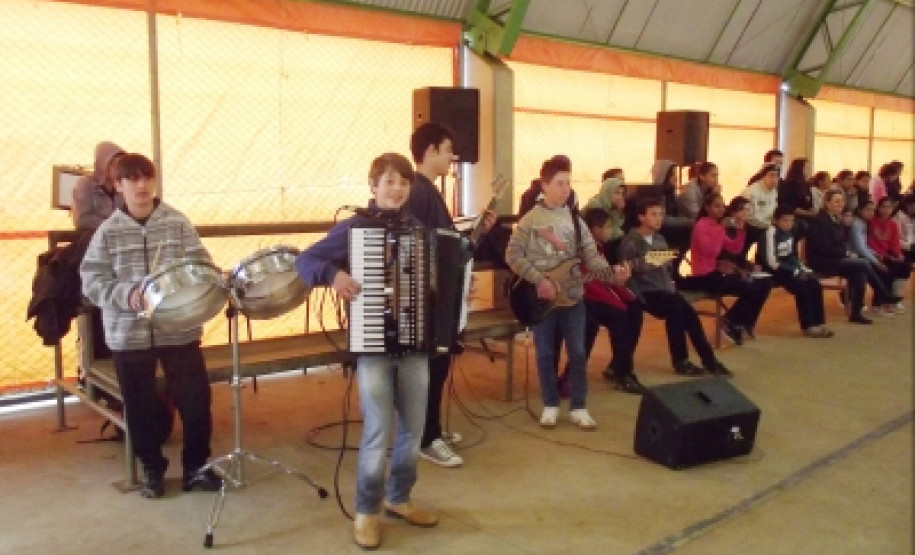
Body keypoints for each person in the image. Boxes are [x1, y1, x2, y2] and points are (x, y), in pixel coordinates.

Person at [295, 153, 438, 550]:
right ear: (372, 186)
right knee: (377, 432)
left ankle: (400, 498)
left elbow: (435, 282)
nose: (396, 189)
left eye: (403, 183)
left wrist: (456, 290)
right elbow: (305, 260)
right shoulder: (355, 228)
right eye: (389, 181)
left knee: (413, 430)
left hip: (414, 344)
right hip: (373, 345)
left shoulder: (419, 230)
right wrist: (333, 274)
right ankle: (366, 511)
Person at [79, 153, 221, 499]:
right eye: (132, 179)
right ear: (119, 185)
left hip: (179, 329)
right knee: (139, 406)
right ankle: (152, 470)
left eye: (147, 178)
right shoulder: (107, 232)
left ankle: (196, 468)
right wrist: (127, 296)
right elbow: (91, 279)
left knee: (195, 401)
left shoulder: (176, 222)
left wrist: (197, 287)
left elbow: (202, 263)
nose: (141, 186)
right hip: (129, 335)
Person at [405, 122, 495, 468]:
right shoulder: (418, 191)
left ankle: (432, 429)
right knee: (432, 367)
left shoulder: (428, 190)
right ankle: (426, 439)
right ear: (429, 151)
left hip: (439, 294)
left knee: (438, 368)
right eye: (447, 150)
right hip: (428, 300)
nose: (452, 156)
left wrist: (475, 237)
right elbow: (427, 247)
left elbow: (446, 243)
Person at [506, 154, 612, 429]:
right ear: (545, 185)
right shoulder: (530, 220)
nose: (565, 189)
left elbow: (591, 257)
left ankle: (579, 406)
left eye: (568, 183)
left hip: (573, 297)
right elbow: (513, 255)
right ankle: (550, 404)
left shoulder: (577, 222)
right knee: (544, 353)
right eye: (559, 183)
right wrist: (539, 280)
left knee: (577, 351)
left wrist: (612, 271)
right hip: (541, 299)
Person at [619, 197, 732, 377]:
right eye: (654, 215)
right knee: (677, 311)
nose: (659, 219)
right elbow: (627, 269)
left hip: (665, 290)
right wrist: (654, 261)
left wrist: (668, 272)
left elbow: (667, 267)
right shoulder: (631, 241)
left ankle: (708, 360)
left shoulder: (660, 238)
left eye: (661, 214)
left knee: (689, 314)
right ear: (641, 217)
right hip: (646, 292)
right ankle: (682, 360)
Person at [679, 195, 771, 344]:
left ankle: (743, 323)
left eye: (722, 206)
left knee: (764, 285)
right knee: (750, 288)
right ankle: (729, 321)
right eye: (716, 206)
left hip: (715, 274)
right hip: (703, 277)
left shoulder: (717, 226)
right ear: (707, 207)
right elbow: (711, 251)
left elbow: (734, 248)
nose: (720, 209)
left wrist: (741, 230)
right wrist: (721, 228)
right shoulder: (701, 225)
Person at [805, 190, 900, 324]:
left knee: (860, 274)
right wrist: (847, 253)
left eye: (842, 201)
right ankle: (883, 294)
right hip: (821, 261)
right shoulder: (820, 220)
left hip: (835, 258)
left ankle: (856, 314)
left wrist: (846, 252)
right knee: (862, 263)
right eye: (837, 201)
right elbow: (822, 247)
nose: (841, 204)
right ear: (827, 203)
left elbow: (840, 244)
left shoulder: (836, 219)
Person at [580, 208, 645, 394]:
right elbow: (589, 283)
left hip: (596, 295)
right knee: (618, 315)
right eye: (607, 227)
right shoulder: (584, 250)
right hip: (583, 299)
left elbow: (607, 278)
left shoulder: (599, 248)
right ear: (594, 229)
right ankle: (622, 373)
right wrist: (616, 299)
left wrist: (626, 293)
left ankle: (618, 365)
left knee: (634, 309)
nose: (610, 231)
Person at [760, 206, 833, 338]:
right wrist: (794, 271)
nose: (789, 224)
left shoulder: (790, 233)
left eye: (791, 220)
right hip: (776, 271)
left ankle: (819, 323)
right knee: (802, 288)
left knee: (814, 284)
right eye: (785, 220)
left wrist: (801, 268)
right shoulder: (770, 233)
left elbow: (792, 255)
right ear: (775, 220)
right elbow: (771, 260)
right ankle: (808, 326)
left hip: (790, 268)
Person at [867, 196, 911, 313]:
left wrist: (898, 255)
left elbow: (894, 243)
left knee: (905, 267)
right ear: (878, 208)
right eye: (883, 207)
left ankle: (894, 300)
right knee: (885, 270)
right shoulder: (871, 222)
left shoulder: (893, 224)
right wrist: (887, 257)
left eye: (889, 207)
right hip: (874, 255)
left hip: (888, 254)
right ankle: (877, 304)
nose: (886, 210)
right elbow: (870, 244)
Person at [71, 141, 126, 231]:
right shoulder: (85, 184)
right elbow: (82, 219)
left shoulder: (123, 187)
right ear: (102, 164)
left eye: (121, 164)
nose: (118, 168)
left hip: (117, 237)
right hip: (91, 237)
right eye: (114, 163)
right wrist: (112, 225)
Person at [739, 163, 780, 258]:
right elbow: (750, 216)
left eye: (776, 176)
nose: (774, 179)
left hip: (766, 224)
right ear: (763, 176)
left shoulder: (773, 191)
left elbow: (773, 209)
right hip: (750, 225)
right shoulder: (752, 192)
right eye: (771, 175)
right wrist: (769, 224)